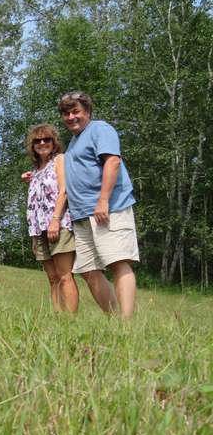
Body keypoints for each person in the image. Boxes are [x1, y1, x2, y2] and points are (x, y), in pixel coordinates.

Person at [58, 91, 139, 319]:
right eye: (66, 113)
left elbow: (112, 161)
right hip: (82, 215)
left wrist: (103, 199)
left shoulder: (100, 129)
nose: (71, 117)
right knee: (87, 270)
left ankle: (127, 324)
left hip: (108, 209)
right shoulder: (74, 142)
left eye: (76, 111)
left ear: (88, 112)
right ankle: (115, 320)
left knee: (117, 262)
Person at [23, 124, 79, 313]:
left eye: (46, 139)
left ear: (54, 142)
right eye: (37, 141)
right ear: (33, 146)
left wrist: (55, 220)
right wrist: (33, 236)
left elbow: (64, 190)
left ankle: (70, 321)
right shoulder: (36, 169)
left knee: (65, 275)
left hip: (59, 225)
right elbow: (35, 205)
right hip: (39, 230)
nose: (42, 143)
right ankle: (58, 318)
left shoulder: (59, 160)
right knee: (52, 278)